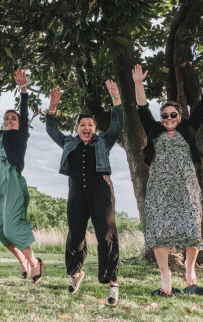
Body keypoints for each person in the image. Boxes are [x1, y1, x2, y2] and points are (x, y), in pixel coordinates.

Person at [132, 63, 203, 297]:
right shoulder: (155, 130)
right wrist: (138, 83)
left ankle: (190, 278)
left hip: (186, 188)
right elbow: (141, 108)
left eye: (173, 115)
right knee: (159, 232)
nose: (168, 118)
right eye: (165, 115)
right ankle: (166, 283)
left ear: (179, 117)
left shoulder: (188, 128)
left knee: (191, 230)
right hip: (159, 189)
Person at [45, 81, 123, 306]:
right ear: (77, 128)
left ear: (95, 128)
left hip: (102, 193)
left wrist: (116, 100)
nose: (86, 128)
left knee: (106, 235)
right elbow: (51, 130)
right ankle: (76, 272)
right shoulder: (69, 142)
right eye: (82, 125)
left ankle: (113, 282)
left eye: (90, 125)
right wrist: (53, 107)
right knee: (75, 235)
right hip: (77, 193)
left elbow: (117, 125)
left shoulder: (104, 141)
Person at [0, 70, 45, 283]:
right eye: (6, 118)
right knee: (0, 230)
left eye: (13, 118)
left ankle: (35, 262)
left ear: (20, 123)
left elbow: (23, 108)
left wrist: (23, 89)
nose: (9, 121)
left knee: (13, 228)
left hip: (13, 180)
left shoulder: (21, 135)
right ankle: (22, 260)